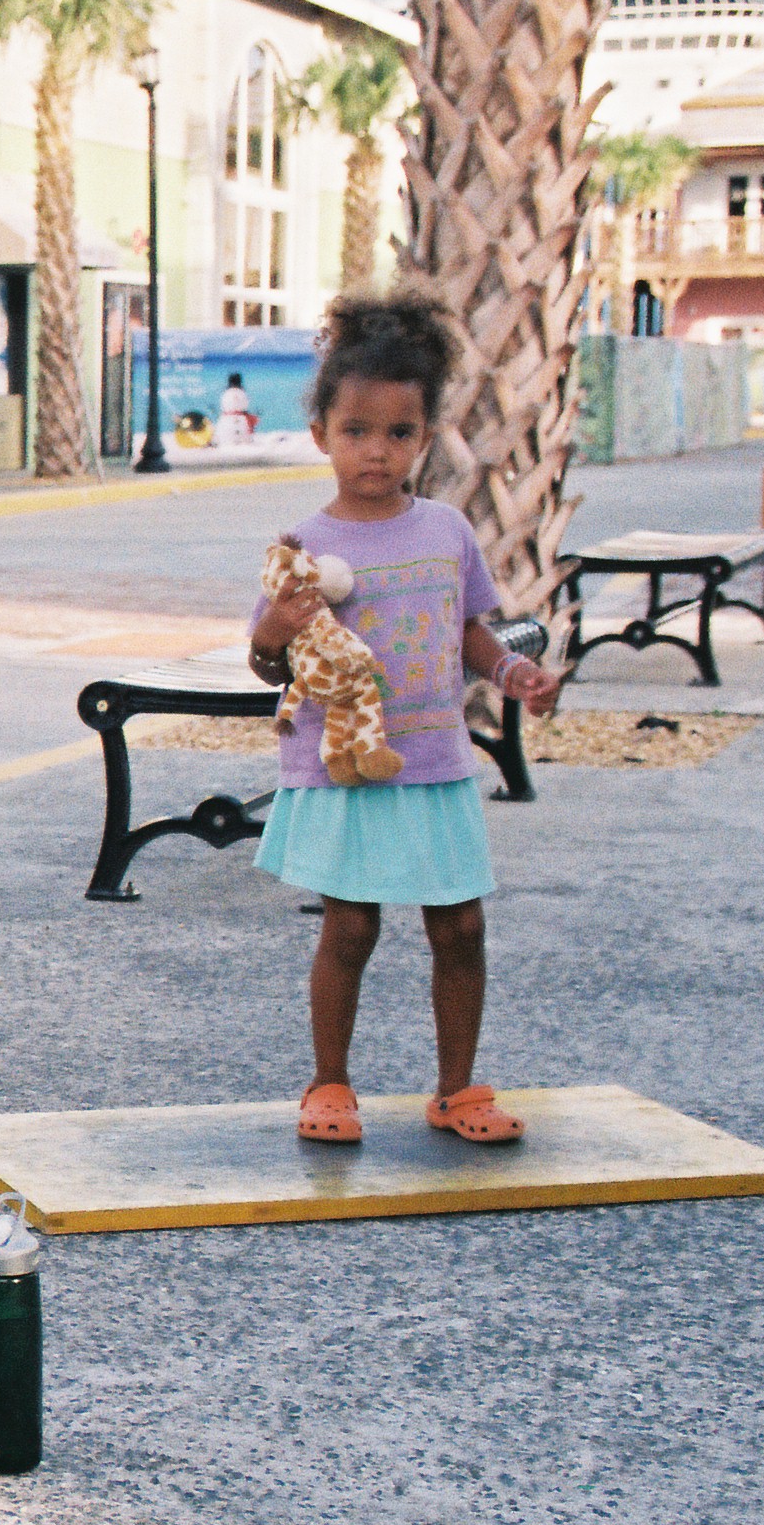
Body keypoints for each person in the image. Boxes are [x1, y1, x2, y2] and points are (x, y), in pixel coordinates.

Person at [246, 292, 562, 1149]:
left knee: (458, 925)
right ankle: (328, 1081)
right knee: (349, 925)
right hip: (346, 765)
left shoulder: (445, 530)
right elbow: (269, 662)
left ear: (423, 438)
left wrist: (514, 669)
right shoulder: (302, 542)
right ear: (320, 433)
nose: (374, 451)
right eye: (355, 431)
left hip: (435, 760)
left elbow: (471, 632)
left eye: (396, 433)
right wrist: (275, 627)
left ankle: (456, 1089)